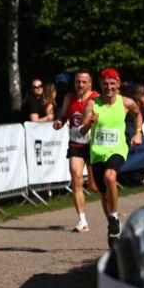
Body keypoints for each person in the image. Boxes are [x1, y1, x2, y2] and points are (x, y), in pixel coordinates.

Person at [79, 68, 143, 246]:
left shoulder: (126, 102)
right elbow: (82, 131)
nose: (109, 87)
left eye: (112, 84)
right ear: (100, 84)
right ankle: (112, 226)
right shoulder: (92, 104)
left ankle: (114, 218)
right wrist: (89, 124)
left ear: (118, 84)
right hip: (97, 152)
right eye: (105, 84)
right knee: (103, 193)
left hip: (117, 149)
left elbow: (138, 113)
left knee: (110, 176)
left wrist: (138, 132)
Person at [53, 70, 98, 232]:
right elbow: (64, 115)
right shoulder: (69, 97)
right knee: (76, 178)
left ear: (90, 84)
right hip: (76, 144)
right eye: (78, 81)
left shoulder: (96, 98)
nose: (80, 85)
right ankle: (82, 220)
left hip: (93, 146)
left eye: (84, 82)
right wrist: (59, 121)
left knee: (94, 186)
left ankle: (111, 212)